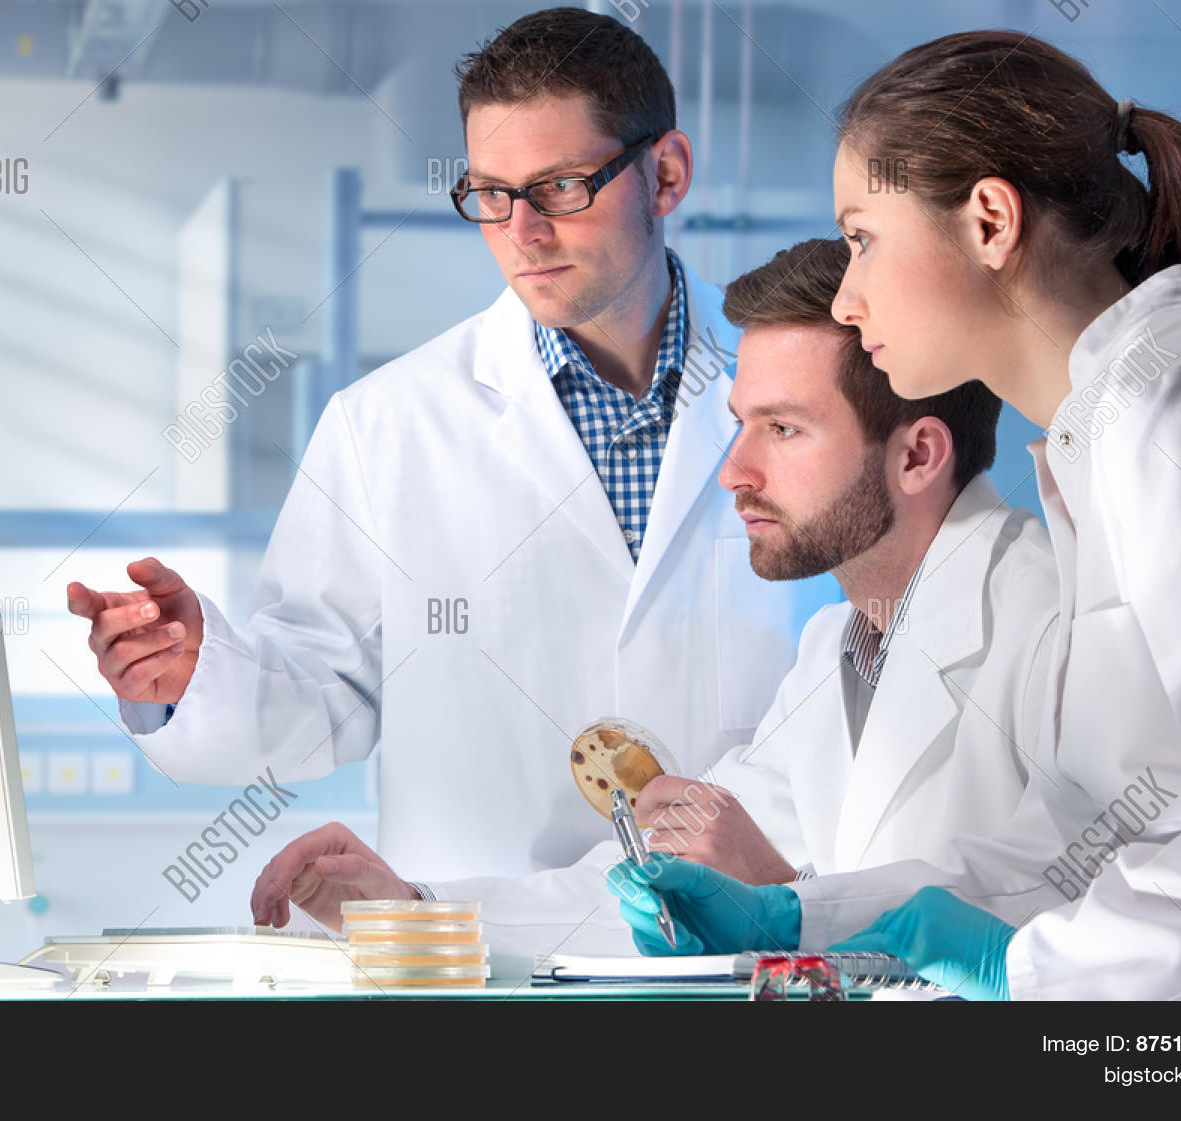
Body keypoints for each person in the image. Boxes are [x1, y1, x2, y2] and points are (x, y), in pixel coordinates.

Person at [613, 31, 1181, 1000]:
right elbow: (1082, 841)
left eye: (862, 238)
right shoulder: (1103, 436)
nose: (848, 292)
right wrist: (808, 915)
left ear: (990, 223)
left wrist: (1021, 967)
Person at [64, 9, 792, 885]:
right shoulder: (386, 427)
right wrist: (193, 674)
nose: (522, 233)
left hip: (762, 947)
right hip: (486, 960)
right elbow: (325, 685)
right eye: (491, 194)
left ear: (665, 173)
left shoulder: (805, 391)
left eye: (561, 187)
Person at [249, 238, 1072, 958]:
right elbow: (641, 885)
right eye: (740, 422)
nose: (733, 471)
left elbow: (1092, 930)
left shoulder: (1053, 622)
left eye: (782, 430)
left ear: (919, 454)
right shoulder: (837, 650)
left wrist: (786, 905)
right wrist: (409, 911)